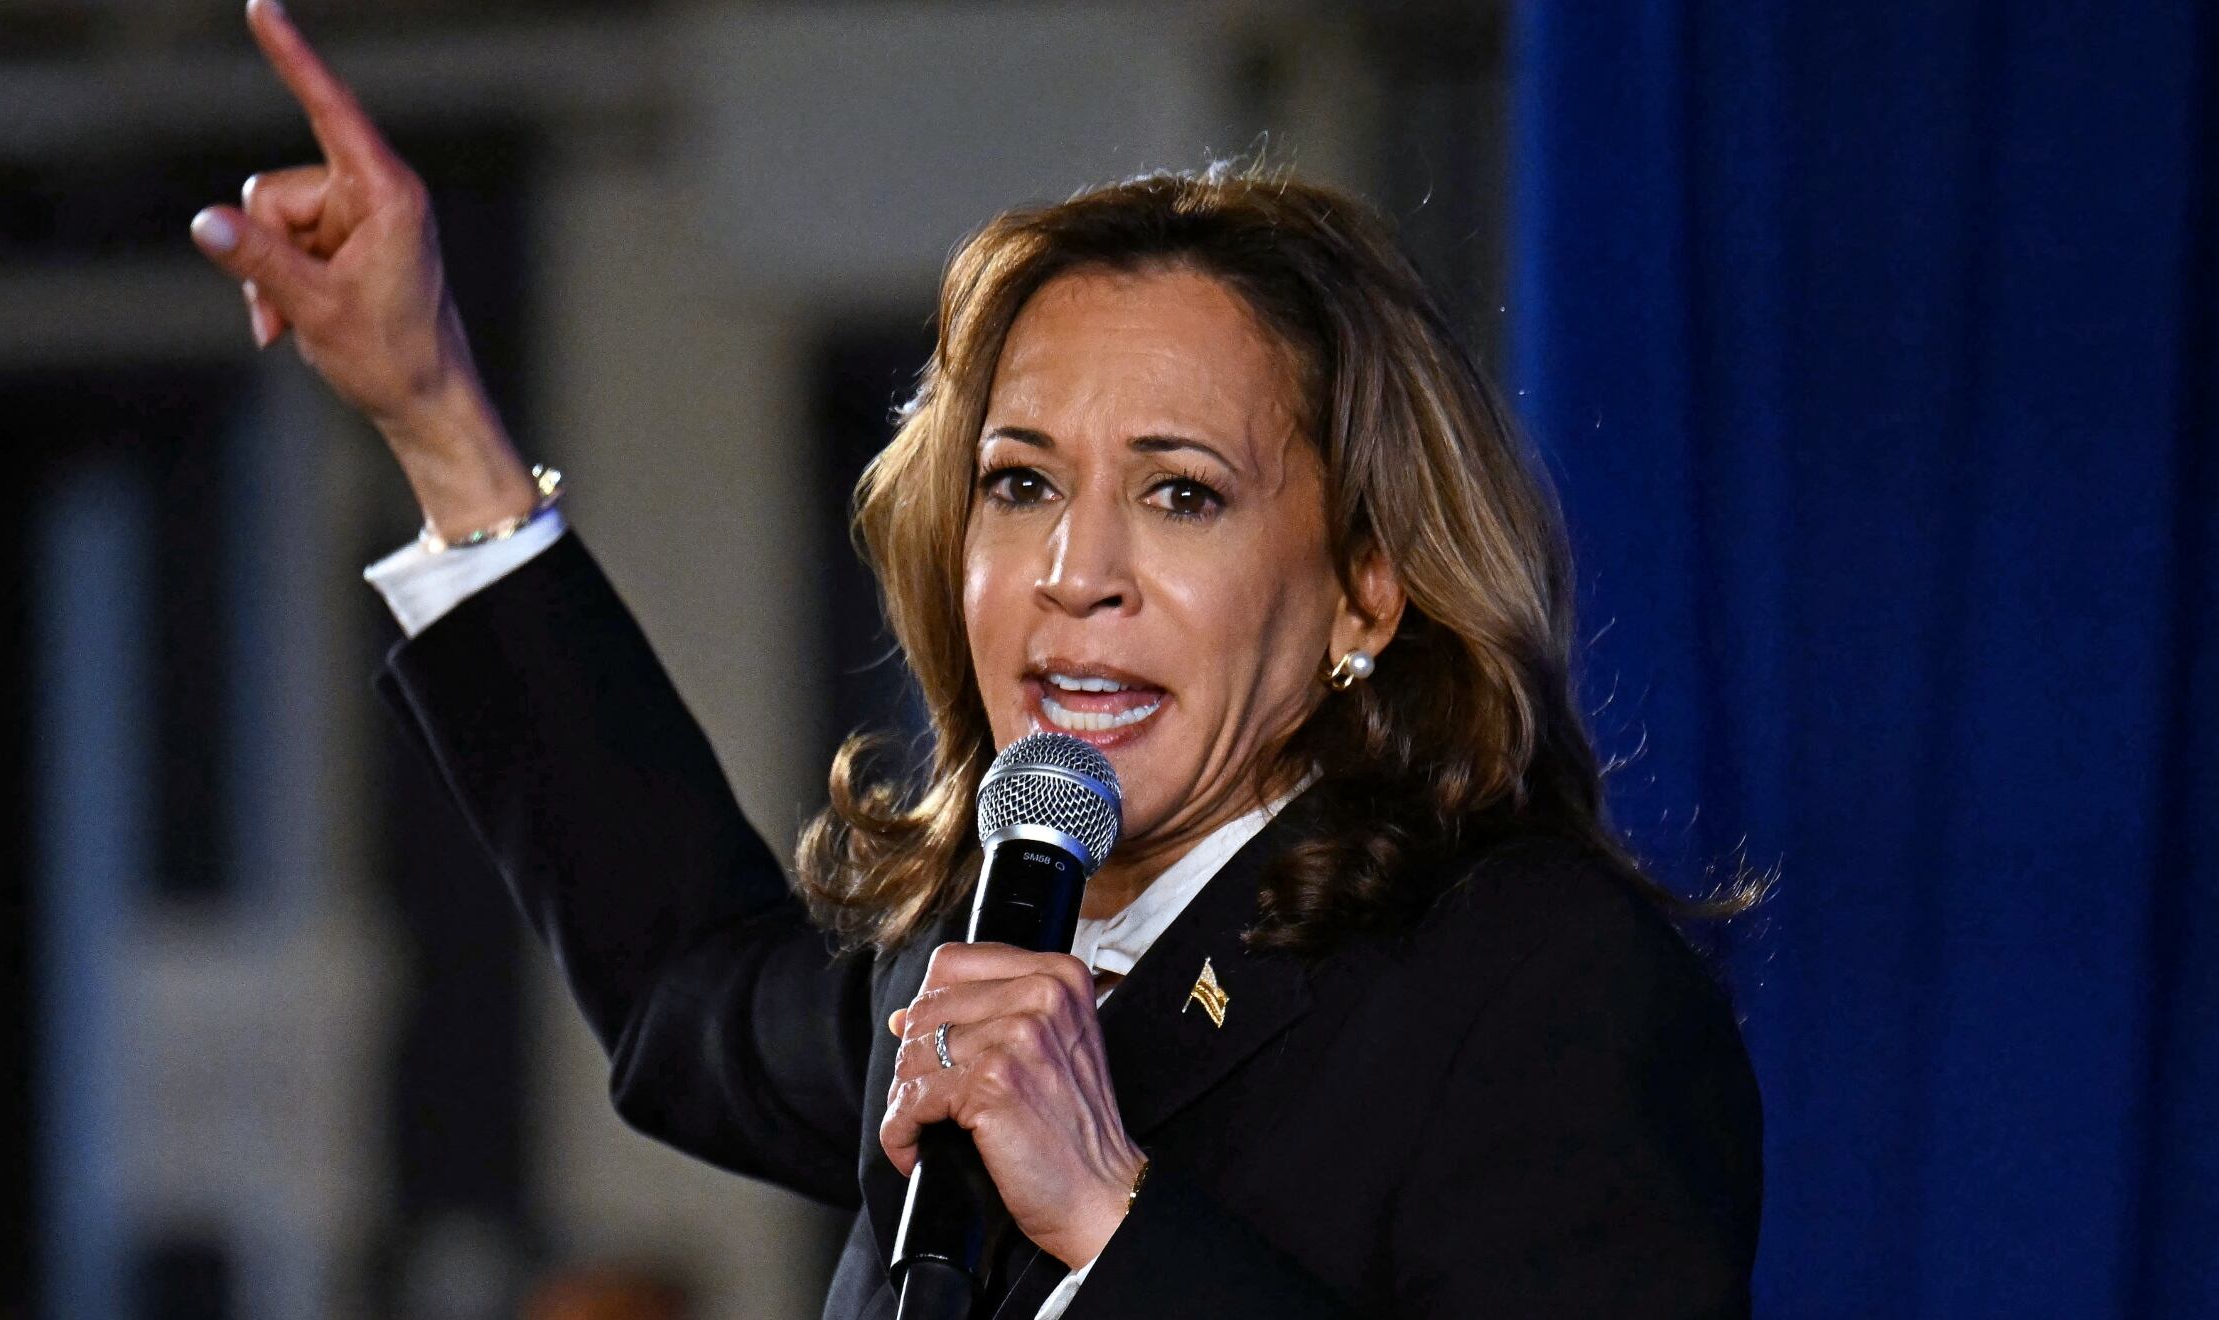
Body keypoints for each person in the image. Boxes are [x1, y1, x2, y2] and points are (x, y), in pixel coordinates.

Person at [190, 2, 1762, 1315]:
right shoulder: (977, 955)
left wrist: (1114, 1219)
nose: (1076, 574)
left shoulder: (1539, 989)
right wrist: (433, 418)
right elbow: (686, 980)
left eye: (1180, 494)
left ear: (1366, 588)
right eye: (1021, 483)